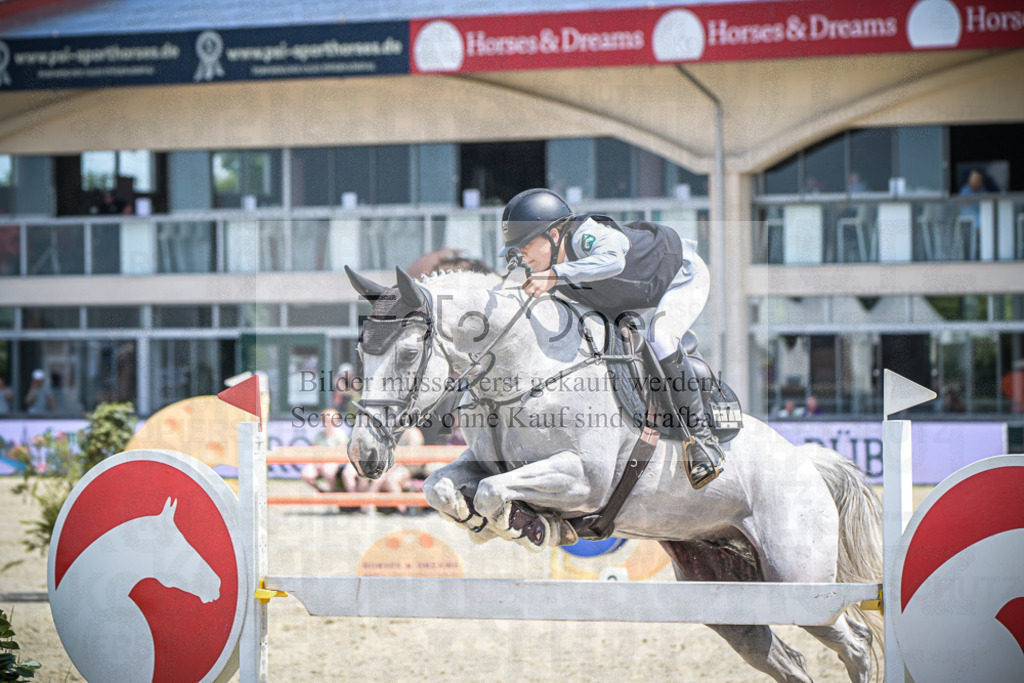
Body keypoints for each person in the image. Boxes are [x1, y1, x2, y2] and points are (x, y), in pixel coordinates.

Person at [499, 188, 723, 489]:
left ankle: (703, 441)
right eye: (516, 249)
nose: (521, 254)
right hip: (633, 293)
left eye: (526, 244)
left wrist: (555, 274)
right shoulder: (550, 272)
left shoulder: (586, 235)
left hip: (679, 275)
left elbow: (614, 262)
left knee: (662, 339)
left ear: (554, 234)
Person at [300, 408, 350, 494]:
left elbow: (340, 452)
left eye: (332, 420)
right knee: (306, 474)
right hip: (319, 462)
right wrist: (318, 462)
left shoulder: (340, 434)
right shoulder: (319, 435)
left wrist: (325, 460)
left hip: (334, 462)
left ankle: (333, 492)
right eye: (327, 420)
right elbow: (314, 450)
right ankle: (321, 491)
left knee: (328, 471)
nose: (329, 422)